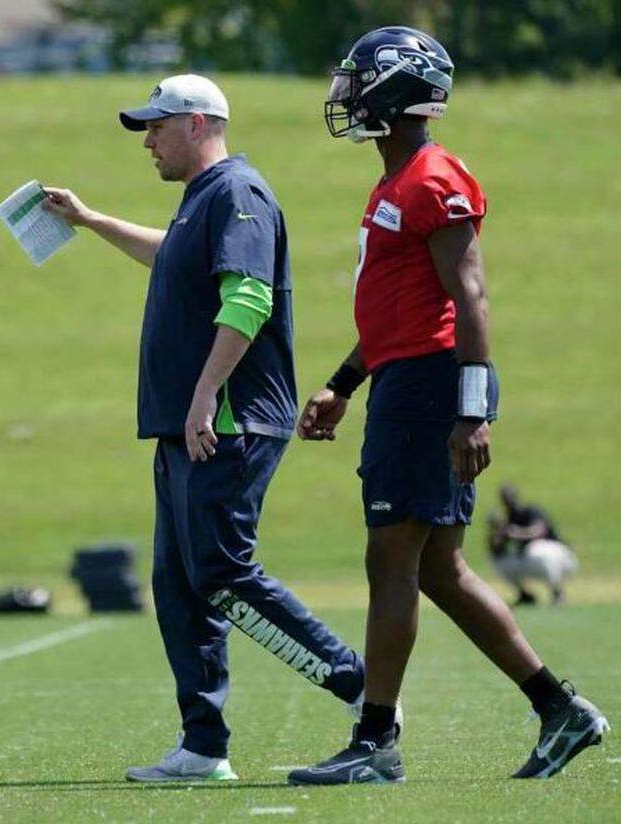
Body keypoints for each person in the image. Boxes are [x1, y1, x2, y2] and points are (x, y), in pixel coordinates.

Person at [290, 26, 608, 784]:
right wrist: (343, 382)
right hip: (410, 379)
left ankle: (375, 743)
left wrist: (473, 409)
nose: (348, 93)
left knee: (390, 559)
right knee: (438, 569)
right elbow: (397, 314)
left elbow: (469, 297)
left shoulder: (432, 177)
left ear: (396, 89)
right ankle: (561, 711)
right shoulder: (397, 182)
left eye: (360, 79)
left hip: (433, 387)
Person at [44, 74, 368, 783]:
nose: (147, 142)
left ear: (195, 124)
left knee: (222, 572)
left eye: (155, 128)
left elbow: (248, 298)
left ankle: (361, 689)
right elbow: (173, 256)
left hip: (227, 421)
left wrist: (204, 395)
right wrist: (93, 221)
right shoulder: (202, 200)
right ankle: (202, 745)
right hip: (191, 424)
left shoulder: (238, 193)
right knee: (178, 582)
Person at [490, 487, 576, 605]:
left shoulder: (531, 511)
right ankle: (525, 596)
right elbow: (496, 550)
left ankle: (557, 591)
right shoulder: (509, 519)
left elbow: (538, 531)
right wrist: (497, 533)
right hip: (532, 558)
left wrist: (515, 533)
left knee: (535, 549)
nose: (508, 502)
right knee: (502, 562)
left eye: (510, 497)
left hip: (559, 555)